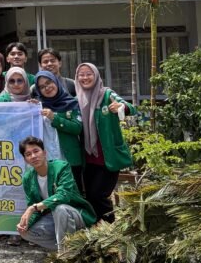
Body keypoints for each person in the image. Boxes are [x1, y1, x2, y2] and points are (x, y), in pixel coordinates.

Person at [75, 62, 135, 222]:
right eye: (81, 74)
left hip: (107, 157)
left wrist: (122, 107)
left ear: (96, 75)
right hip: (87, 159)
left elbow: (130, 107)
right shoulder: (76, 99)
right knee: (89, 196)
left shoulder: (107, 95)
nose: (85, 77)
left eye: (89, 74)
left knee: (99, 195)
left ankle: (110, 228)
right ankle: (98, 233)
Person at [16, 136, 96, 252]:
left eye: (36, 151)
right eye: (28, 154)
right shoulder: (28, 178)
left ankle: (65, 254)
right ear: (25, 159)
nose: (33, 156)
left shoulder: (61, 167)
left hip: (75, 214)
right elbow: (34, 207)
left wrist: (33, 208)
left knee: (60, 209)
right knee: (26, 233)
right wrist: (26, 224)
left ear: (44, 153)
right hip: (53, 219)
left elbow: (64, 195)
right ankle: (74, 246)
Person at [34, 70, 85, 189]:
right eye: (42, 87)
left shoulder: (71, 103)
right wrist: (30, 107)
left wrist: (54, 118)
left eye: (49, 82)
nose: (47, 87)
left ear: (56, 81)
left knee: (73, 196)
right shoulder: (38, 106)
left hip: (70, 160)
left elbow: (77, 128)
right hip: (47, 161)